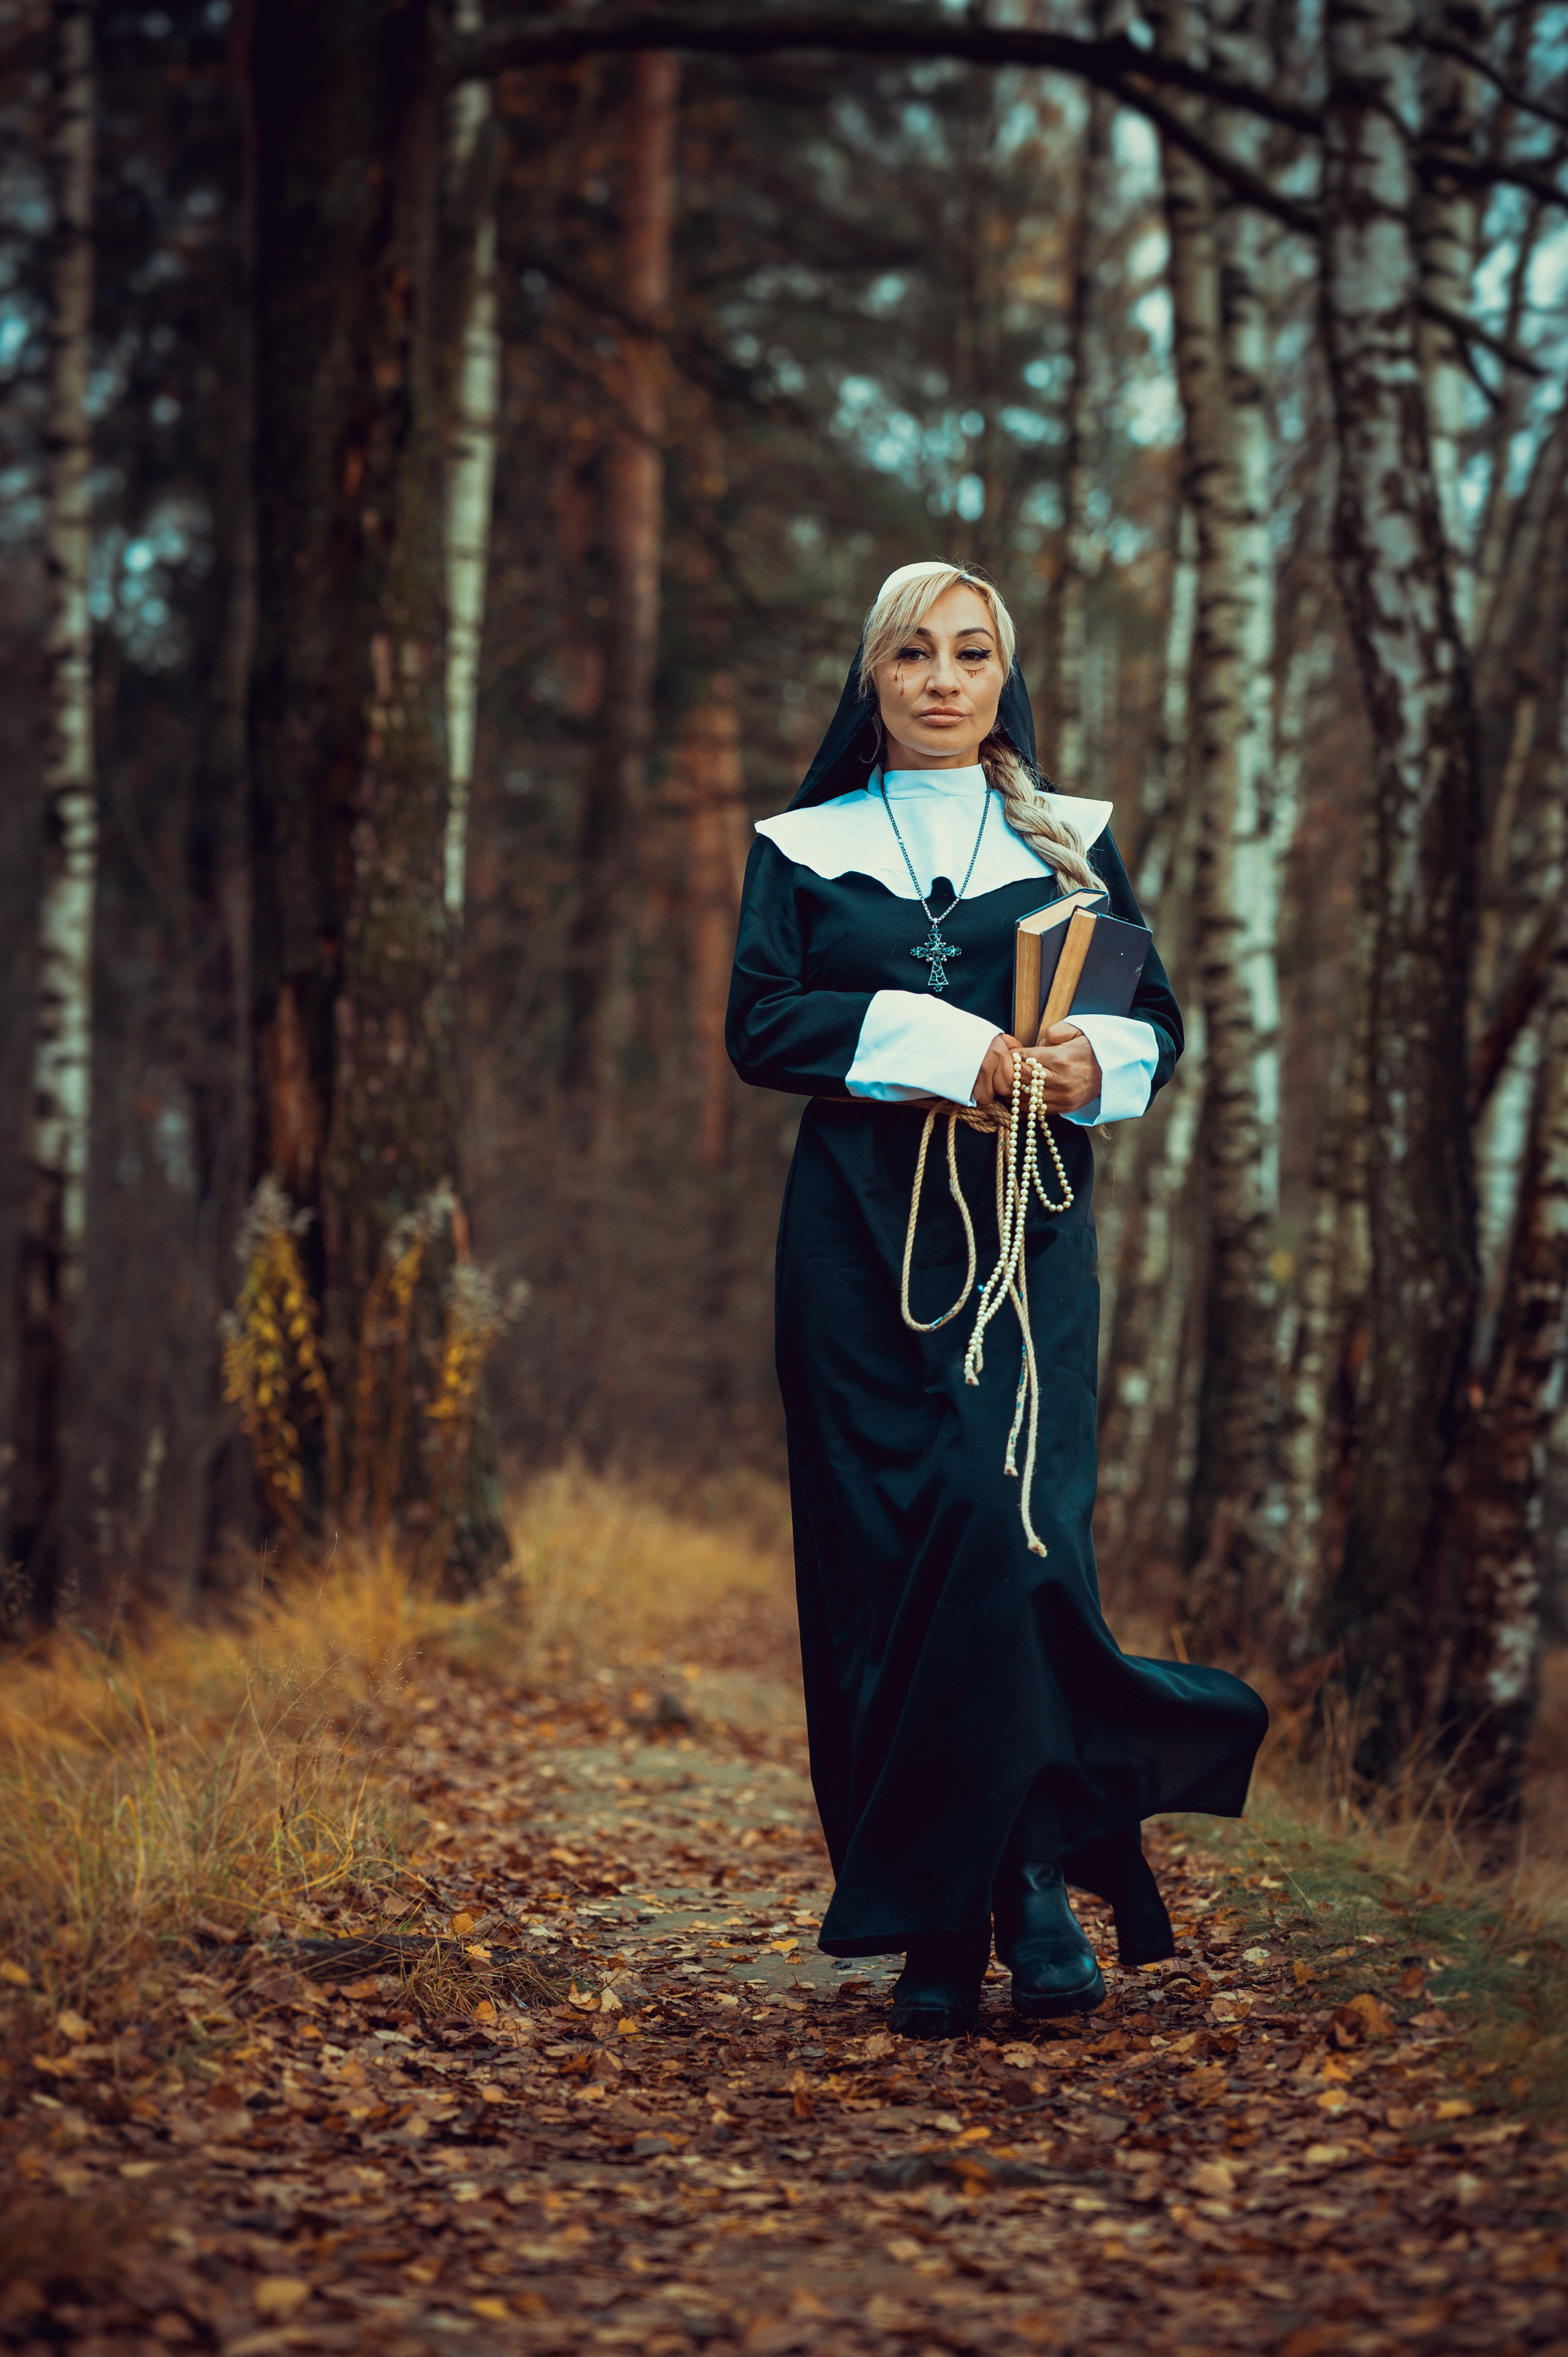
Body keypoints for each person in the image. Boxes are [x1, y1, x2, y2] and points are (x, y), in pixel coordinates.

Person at [725, 560, 1267, 2038]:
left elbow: (1151, 1015)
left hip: (1026, 1232)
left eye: (970, 653)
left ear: (1001, 676)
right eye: (912, 653)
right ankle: (934, 1917)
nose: (943, 677)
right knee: (884, 1569)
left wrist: (1093, 1061)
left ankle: (1023, 1877)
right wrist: (940, 1044)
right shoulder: (801, 843)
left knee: (1010, 1531)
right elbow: (759, 1023)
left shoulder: (1069, 838)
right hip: (853, 1248)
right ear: (873, 680)